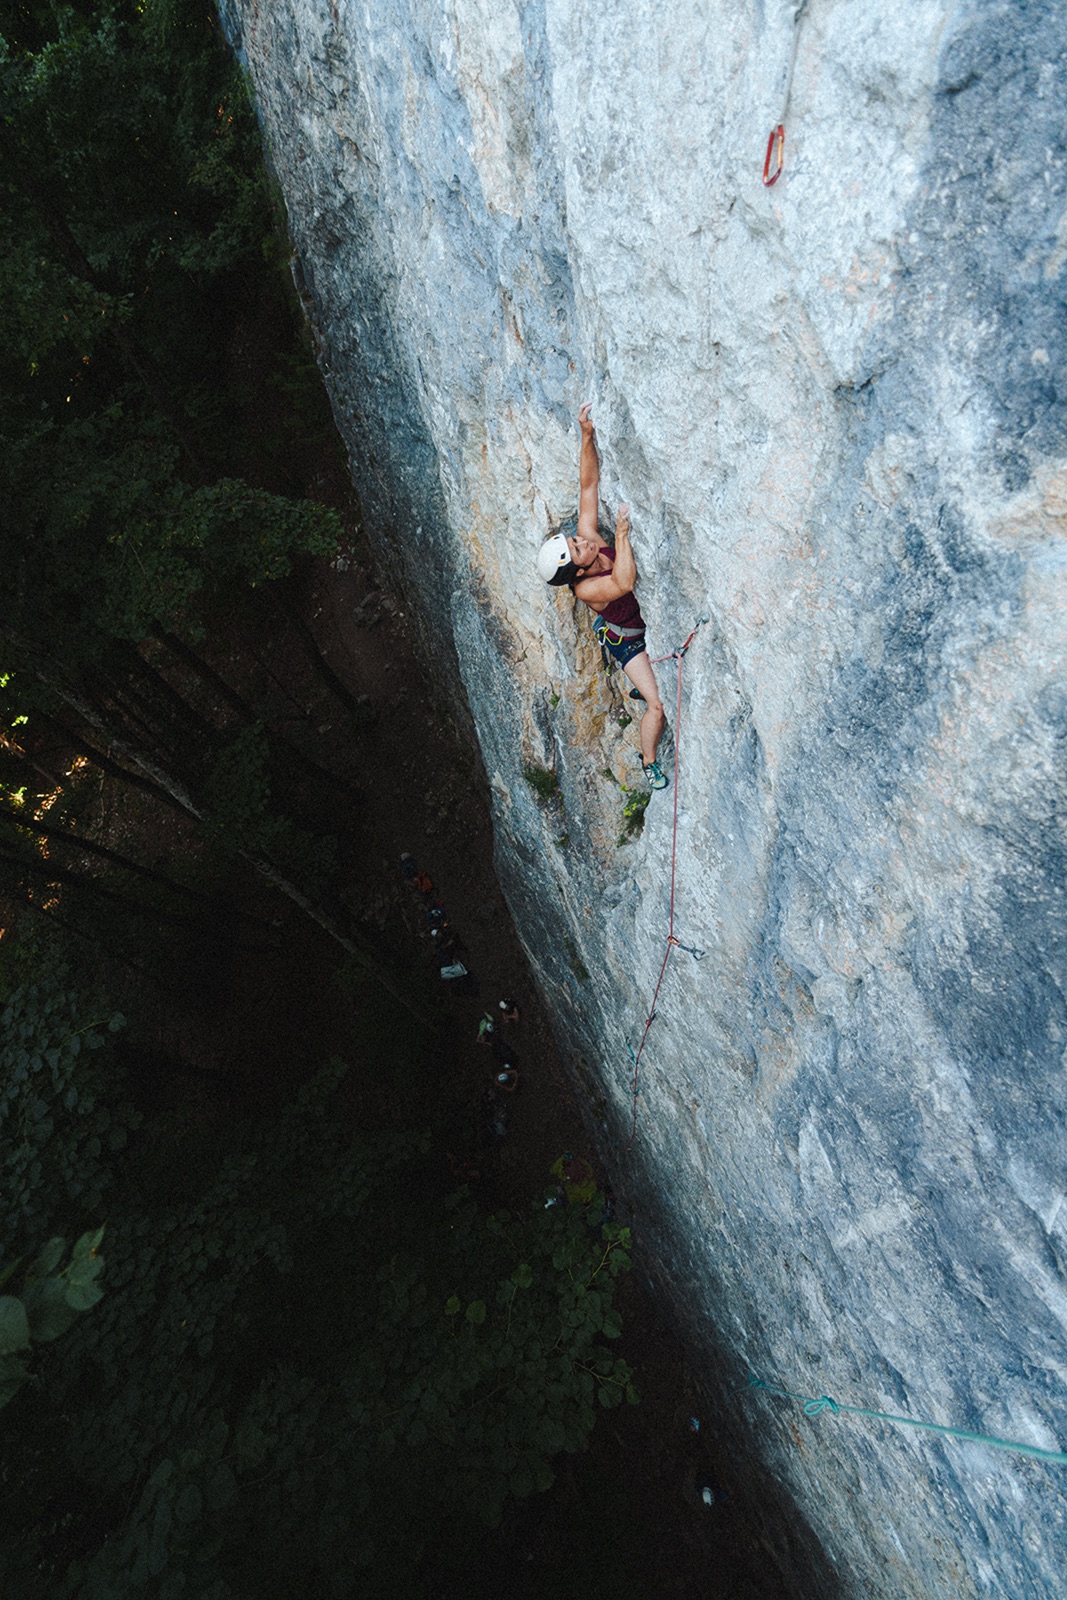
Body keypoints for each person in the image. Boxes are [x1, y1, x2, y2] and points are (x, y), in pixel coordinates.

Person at [536, 403, 668, 790]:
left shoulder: (590, 542)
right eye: (578, 549)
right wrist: (623, 534)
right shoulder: (588, 589)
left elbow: (588, 486)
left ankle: (637, 686)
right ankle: (649, 762)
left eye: (576, 540)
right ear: (576, 572)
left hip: (631, 620)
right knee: (656, 707)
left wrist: (587, 435)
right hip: (630, 640)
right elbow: (624, 582)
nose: (584, 542)